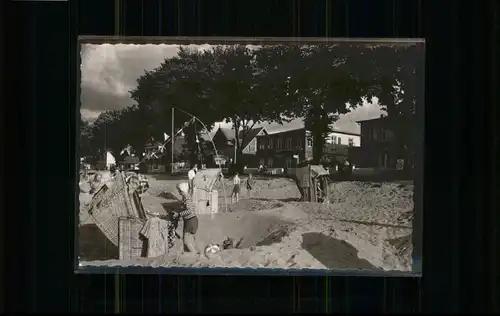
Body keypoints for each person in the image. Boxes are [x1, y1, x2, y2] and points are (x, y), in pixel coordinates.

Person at [175, 182, 199, 254]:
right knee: (190, 240)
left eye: (179, 190)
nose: (179, 192)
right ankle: (193, 254)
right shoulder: (186, 197)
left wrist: (179, 214)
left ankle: (195, 255)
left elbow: (190, 210)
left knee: (186, 241)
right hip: (191, 221)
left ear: (182, 190)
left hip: (190, 221)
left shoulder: (187, 198)